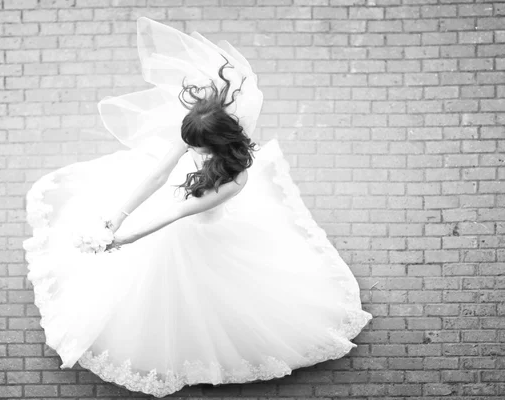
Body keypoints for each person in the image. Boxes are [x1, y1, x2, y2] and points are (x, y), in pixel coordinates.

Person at [23, 17, 373, 398]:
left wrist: (120, 239)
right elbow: (157, 175)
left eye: (196, 148)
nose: (188, 150)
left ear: (218, 143)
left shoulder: (235, 178)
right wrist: (116, 214)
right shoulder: (199, 130)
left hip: (201, 224)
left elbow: (174, 213)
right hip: (178, 199)